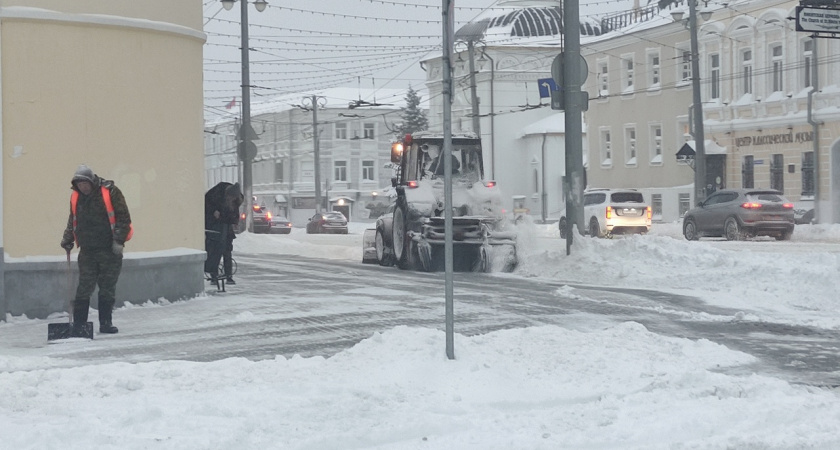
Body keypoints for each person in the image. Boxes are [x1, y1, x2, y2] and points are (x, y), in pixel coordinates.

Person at [60, 164, 132, 334]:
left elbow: (123, 218)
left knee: (107, 287)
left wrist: (118, 241)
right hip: (87, 250)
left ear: (92, 181)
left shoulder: (110, 192)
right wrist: (67, 238)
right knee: (84, 287)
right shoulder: (76, 197)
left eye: (85, 183)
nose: (82, 187)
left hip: (109, 250)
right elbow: (73, 219)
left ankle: (106, 323)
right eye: (79, 184)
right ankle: (79, 325)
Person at [204, 182, 243, 283]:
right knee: (215, 250)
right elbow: (205, 204)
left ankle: (228, 275)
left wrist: (234, 221)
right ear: (227, 195)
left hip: (226, 225)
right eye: (230, 199)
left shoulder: (237, 198)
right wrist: (214, 212)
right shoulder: (215, 194)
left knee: (227, 250)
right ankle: (214, 276)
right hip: (214, 225)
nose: (232, 201)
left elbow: (234, 211)